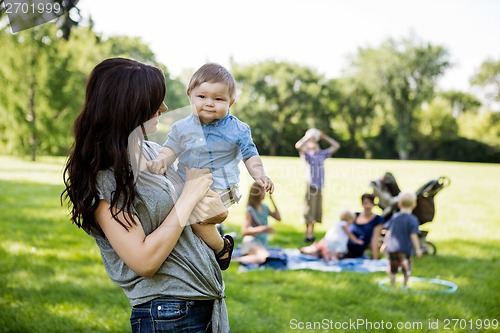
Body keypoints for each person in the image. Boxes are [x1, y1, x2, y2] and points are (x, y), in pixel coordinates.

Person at [61, 58, 231, 332]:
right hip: (168, 315)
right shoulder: (105, 177)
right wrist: (189, 196)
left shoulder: (152, 153)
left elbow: (193, 211)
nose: (163, 108)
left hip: (202, 305)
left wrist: (217, 214)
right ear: (128, 107)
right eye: (155, 101)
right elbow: (144, 261)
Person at [147, 63, 274, 258]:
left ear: (231, 102)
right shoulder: (182, 128)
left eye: (219, 99)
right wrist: (161, 160)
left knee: (193, 216)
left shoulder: (238, 129)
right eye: (202, 97)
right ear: (190, 95)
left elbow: (250, 155)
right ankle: (194, 247)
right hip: (187, 185)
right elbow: (170, 148)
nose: (209, 103)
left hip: (221, 187)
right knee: (174, 212)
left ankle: (221, 248)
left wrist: (260, 175)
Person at [295, 128, 340, 242]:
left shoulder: (321, 154)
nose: (312, 145)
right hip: (311, 186)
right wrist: (307, 137)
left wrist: (323, 137)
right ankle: (308, 234)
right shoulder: (308, 155)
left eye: (314, 143)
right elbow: (298, 146)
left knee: (316, 210)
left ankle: (312, 233)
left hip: (320, 186)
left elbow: (336, 146)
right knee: (309, 210)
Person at [381, 192, 423, 287]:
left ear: (399, 204)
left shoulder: (394, 217)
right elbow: (413, 235)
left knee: (393, 268)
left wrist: (384, 244)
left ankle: (392, 284)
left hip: (392, 248)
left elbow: (388, 232)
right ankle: (404, 285)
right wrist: (418, 249)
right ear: (414, 205)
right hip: (405, 250)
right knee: (406, 268)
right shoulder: (413, 219)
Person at [235, 182, 281, 265]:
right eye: (263, 191)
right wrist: (263, 229)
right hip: (252, 242)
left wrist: (272, 199)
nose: (265, 194)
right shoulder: (250, 210)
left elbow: (278, 218)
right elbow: (244, 231)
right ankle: (235, 260)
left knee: (264, 257)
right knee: (263, 257)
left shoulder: (265, 207)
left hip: (261, 243)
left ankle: (242, 259)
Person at [346, 193, 385, 259]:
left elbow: (375, 240)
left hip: (359, 250)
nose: (368, 206)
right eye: (365, 203)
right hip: (345, 247)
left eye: (370, 203)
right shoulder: (355, 216)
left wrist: (375, 259)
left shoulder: (377, 220)